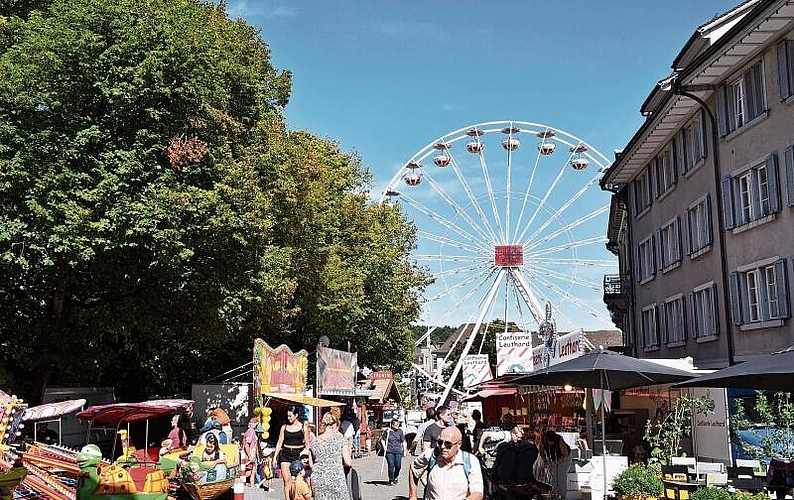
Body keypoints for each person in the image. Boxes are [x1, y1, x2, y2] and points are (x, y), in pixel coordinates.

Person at [409, 425, 484, 500]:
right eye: (440, 442)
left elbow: (477, 493)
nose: (442, 447)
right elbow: (413, 469)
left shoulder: (470, 461)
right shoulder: (431, 455)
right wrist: (413, 496)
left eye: (448, 444)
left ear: (459, 444)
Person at [310, 411, 352, 500]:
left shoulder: (314, 441)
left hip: (318, 479)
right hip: (336, 478)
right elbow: (348, 462)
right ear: (334, 424)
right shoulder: (339, 438)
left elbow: (311, 464)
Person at [274, 405, 308, 500]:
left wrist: (307, 458)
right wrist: (275, 457)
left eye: (290, 416)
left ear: (296, 415)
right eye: (287, 416)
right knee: (287, 480)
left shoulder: (303, 428)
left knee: (297, 480)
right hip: (286, 454)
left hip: (298, 454)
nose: (288, 418)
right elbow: (279, 442)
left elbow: (307, 445)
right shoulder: (284, 427)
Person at [542, 430, 571, 499]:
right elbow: (541, 451)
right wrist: (546, 461)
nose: (549, 444)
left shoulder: (560, 440)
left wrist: (555, 463)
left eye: (551, 442)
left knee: (561, 477)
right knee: (553, 477)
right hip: (552, 457)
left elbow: (565, 454)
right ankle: (555, 495)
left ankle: (563, 496)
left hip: (564, 457)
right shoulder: (543, 440)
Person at [384, 418, 407, 485]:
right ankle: (391, 479)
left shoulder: (400, 431)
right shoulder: (387, 431)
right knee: (391, 465)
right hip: (389, 451)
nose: (398, 426)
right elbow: (383, 440)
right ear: (392, 425)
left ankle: (395, 476)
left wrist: (404, 450)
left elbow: (403, 441)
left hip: (398, 451)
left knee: (398, 466)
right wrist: (384, 447)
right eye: (396, 425)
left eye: (398, 424)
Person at [243, 417, 260, 487]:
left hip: (252, 455)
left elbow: (256, 446)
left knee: (253, 471)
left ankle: (252, 486)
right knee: (249, 472)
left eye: (252, 422)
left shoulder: (252, 431)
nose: (250, 424)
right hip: (249, 455)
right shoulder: (251, 431)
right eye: (250, 422)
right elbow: (247, 444)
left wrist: (257, 457)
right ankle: (238, 481)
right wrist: (250, 456)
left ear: (256, 424)